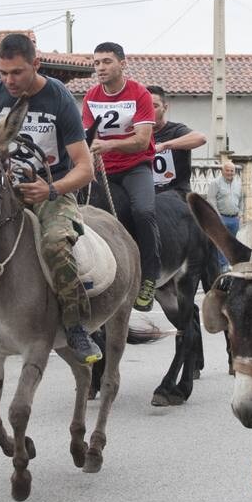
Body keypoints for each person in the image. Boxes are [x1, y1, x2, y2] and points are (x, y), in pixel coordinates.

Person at [0, 33, 102, 370]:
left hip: (52, 192)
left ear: (36, 64)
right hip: (1, 196)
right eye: (3, 73)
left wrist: (49, 191)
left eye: (17, 73)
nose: (9, 81)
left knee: (55, 246)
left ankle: (75, 325)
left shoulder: (59, 99)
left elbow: (85, 168)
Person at [84, 42, 160, 311]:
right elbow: (87, 136)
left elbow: (142, 141)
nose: (101, 68)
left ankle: (150, 276)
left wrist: (109, 145)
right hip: (104, 170)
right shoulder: (91, 96)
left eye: (106, 61)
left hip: (135, 166)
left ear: (122, 64)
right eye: (97, 63)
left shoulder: (140, 94)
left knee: (143, 211)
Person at [149, 86, 206, 194]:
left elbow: (200, 138)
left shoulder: (176, 130)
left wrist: (164, 146)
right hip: (148, 194)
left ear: (165, 108)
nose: (150, 111)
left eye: (155, 106)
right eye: (146, 106)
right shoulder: (137, 134)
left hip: (177, 193)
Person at [207, 160, 242, 266]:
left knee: (232, 244)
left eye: (232, 171)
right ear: (222, 171)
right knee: (221, 244)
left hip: (234, 219)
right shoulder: (215, 183)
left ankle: (230, 265)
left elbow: (241, 200)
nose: (230, 172)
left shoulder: (238, 183)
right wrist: (218, 216)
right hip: (222, 218)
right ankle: (222, 269)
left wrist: (240, 214)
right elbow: (211, 200)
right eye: (227, 170)